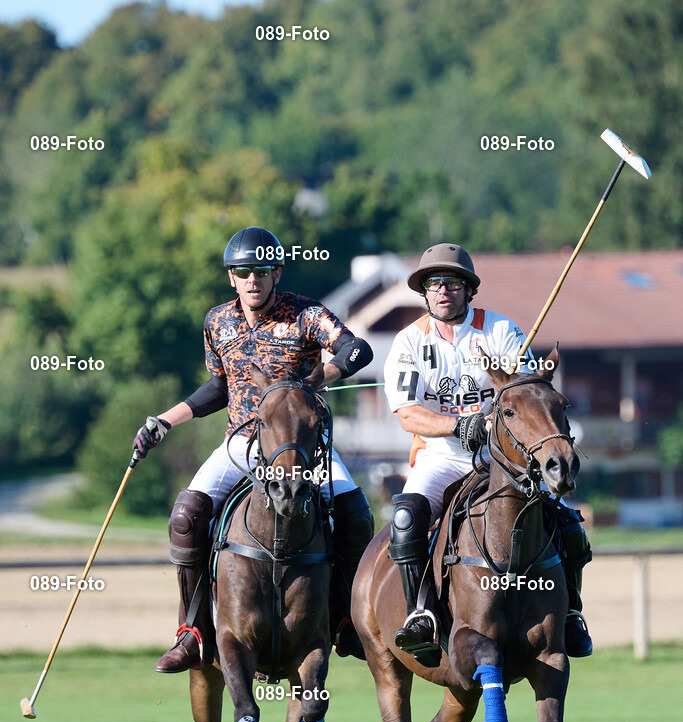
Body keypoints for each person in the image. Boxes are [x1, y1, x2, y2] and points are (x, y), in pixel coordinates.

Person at [133, 225, 374, 672]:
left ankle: (344, 620)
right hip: (241, 444)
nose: (253, 279)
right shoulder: (217, 321)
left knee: (356, 515)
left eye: (262, 270)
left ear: (277, 272)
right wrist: (165, 420)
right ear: (231, 276)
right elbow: (219, 388)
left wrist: (313, 382)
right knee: (185, 515)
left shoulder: (306, 314)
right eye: (243, 271)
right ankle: (191, 631)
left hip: (300, 447)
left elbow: (357, 351)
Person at [383, 243, 593, 659]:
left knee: (568, 523)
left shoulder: (499, 330)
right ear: (424, 293)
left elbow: (527, 391)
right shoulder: (408, 342)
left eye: (453, 283)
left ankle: (570, 613)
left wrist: (520, 383)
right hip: (441, 456)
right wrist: (461, 425)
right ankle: (420, 612)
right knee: (406, 517)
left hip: (500, 458)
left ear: (468, 290)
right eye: (434, 284)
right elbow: (408, 414)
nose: (443, 291)